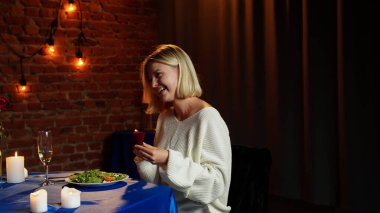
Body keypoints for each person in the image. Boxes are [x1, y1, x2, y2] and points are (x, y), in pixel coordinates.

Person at [133, 44, 232, 213]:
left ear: (181, 70)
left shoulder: (208, 117)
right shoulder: (165, 118)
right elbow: (159, 180)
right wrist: (146, 158)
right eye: (150, 80)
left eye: (158, 75)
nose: (154, 84)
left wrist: (168, 159)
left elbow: (217, 185)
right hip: (166, 207)